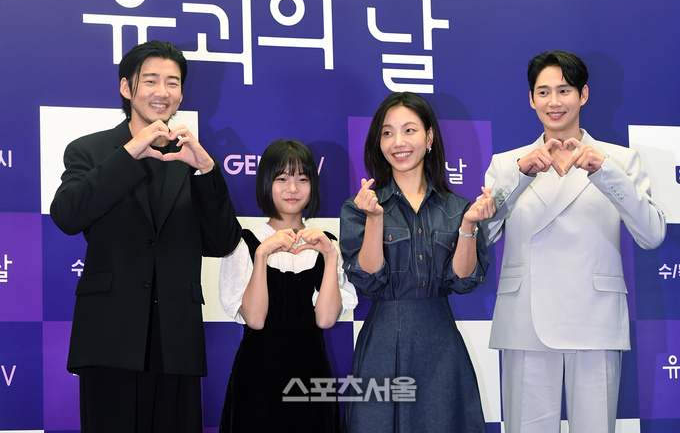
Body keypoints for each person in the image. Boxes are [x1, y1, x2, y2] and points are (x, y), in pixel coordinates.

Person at [50, 40, 241, 432]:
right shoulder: (90, 150)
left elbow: (222, 242)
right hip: (109, 334)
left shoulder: (192, 157)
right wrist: (129, 153)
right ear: (126, 87)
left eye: (172, 82)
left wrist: (207, 171)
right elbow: (68, 215)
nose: (162, 92)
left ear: (181, 94)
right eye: (150, 80)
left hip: (176, 338)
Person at [483, 50, 666, 433]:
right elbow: (482, 234)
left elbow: (651, 234)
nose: (554, 102)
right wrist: (519, 176)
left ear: (583, 94)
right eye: (543, 92)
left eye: (564, 90)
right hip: (526, 320)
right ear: (531, 99)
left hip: (595, 318)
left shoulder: (619, 160)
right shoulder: (508, 163)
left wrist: (606, 172)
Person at [340, 92, 493, 432]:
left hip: (440, 344)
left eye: (409, 130)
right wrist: (375, 219)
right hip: (382, 343)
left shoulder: (458, 209)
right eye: (387, 132)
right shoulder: (359, 207)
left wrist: (468, 227)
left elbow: (462, 281)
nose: (398, 142)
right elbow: (368, 279)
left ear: (429, 137)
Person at [218, 139, 357, 433]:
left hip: (311, 379)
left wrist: (330, 255)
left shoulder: (326, 244)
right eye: (282, 178)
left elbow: (326, 319)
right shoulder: (245, 243)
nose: (292, 188)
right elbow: (255, 319)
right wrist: (262, 255)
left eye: (302, 179)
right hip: (257, 379)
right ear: (266, 183)